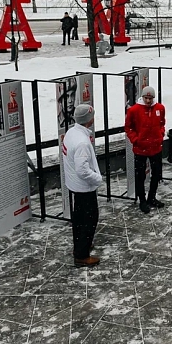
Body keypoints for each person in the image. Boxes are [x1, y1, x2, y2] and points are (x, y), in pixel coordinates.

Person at [63, 104, 102, 267]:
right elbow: (83, 170)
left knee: (79, 218)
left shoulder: (71, 133)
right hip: (84, 187)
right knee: (89, 219)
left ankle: (80, 245)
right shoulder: (82, 143)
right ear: (88, 119)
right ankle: (82, 255)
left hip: (75, 185)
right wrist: (97, 179)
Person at [124, 86, 166, 213]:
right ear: (142, 97)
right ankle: (142, 200)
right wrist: (136, 140)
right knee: (140, 176)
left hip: (155, 147)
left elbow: (162, 123)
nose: (148, 101)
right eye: (146, 98)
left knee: (157, 173)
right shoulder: (134, 110)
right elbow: (128, 127)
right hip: (140, 149)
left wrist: (161, 134)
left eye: (150, 98)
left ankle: (151, 197)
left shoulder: (160, 108)